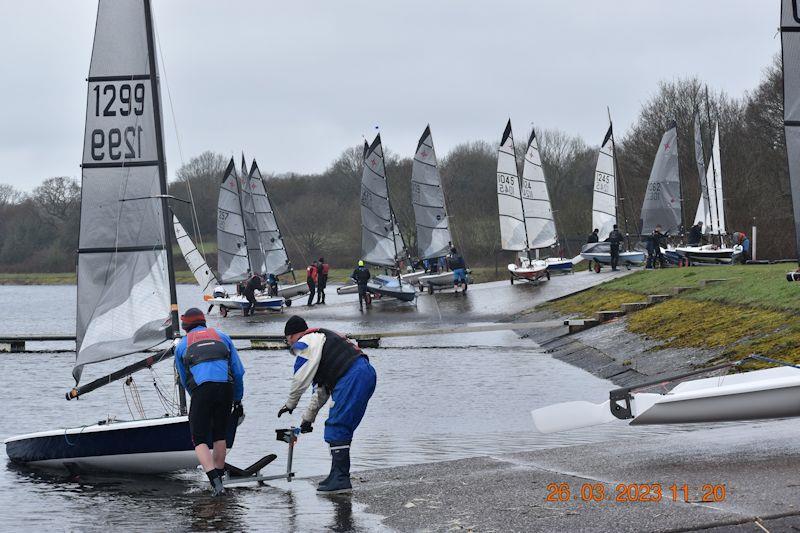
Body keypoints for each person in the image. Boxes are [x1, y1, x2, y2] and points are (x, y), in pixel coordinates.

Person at [278, 315, 377, 494]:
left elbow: (300, 378)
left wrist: (290, 404)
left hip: (352, 376)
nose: (290, 346)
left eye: (288, 340)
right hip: (364, 372)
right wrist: (307, 419)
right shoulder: (322, 341)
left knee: (337, 425)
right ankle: (336, 475)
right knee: (339, 424)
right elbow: (321, 391)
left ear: (292, 336)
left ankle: (340, 479)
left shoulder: (306, 342)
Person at [174, 308, 245, 497]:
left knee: (198, 439)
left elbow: (184, 379)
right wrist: (237, 399)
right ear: (203, 322)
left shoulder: (182, 345)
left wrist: (197, 397)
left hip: (202, 390)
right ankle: (220, 481)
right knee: (219, 435)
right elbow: (238, 372)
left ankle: (215, 483)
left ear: (185, 326)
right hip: (226, 389)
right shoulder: (222, 336)